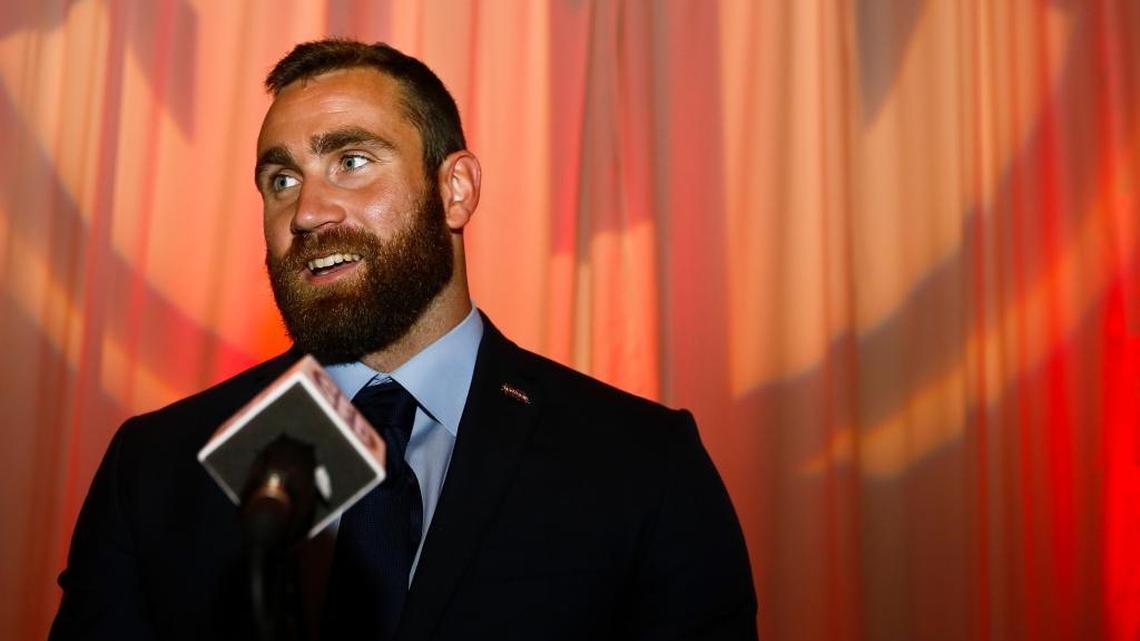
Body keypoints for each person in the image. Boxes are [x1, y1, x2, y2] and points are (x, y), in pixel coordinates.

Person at [49, 39, 757, 641]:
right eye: (281, 178)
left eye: (352, 161)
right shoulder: (158, 469)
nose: (307, 211)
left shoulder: (640, 463)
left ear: (456, 190)